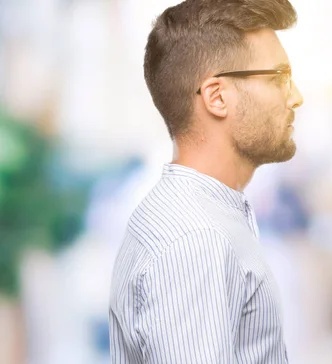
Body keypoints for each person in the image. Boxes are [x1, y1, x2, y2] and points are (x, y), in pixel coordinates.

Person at [108, 0, 304, 363]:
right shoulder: (196, 239)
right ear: (216, 97)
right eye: (278, 77)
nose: (295, 97)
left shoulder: (202, 219)